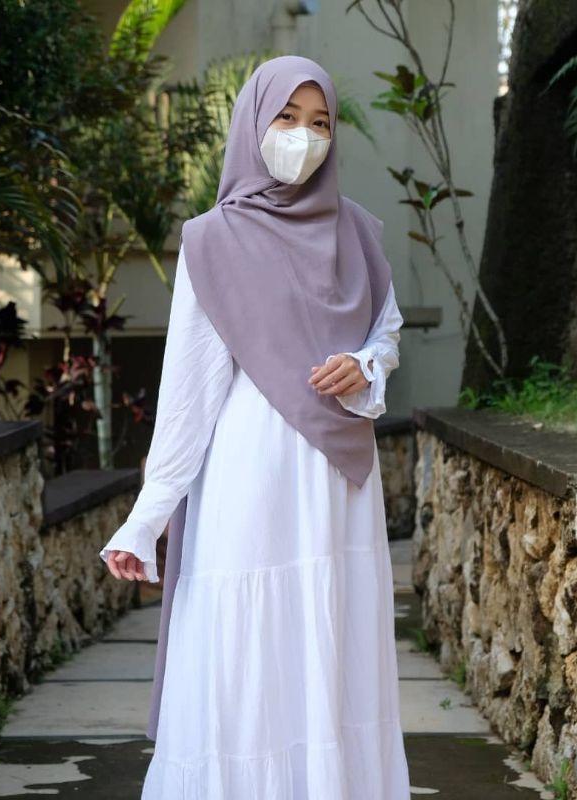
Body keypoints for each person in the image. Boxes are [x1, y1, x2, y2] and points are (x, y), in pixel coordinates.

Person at [99, 55, 411, 799]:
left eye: (320, 123)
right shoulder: (212, 240)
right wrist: (146, 520)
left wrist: (365, 365)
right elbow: (188, 392)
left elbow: (388, 332)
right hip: (252, 475)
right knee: (248, 651)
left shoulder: (357, 231)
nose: (305, 137)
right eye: (287, 118)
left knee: (333, 647)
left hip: (339, 482)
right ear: (253, 125)